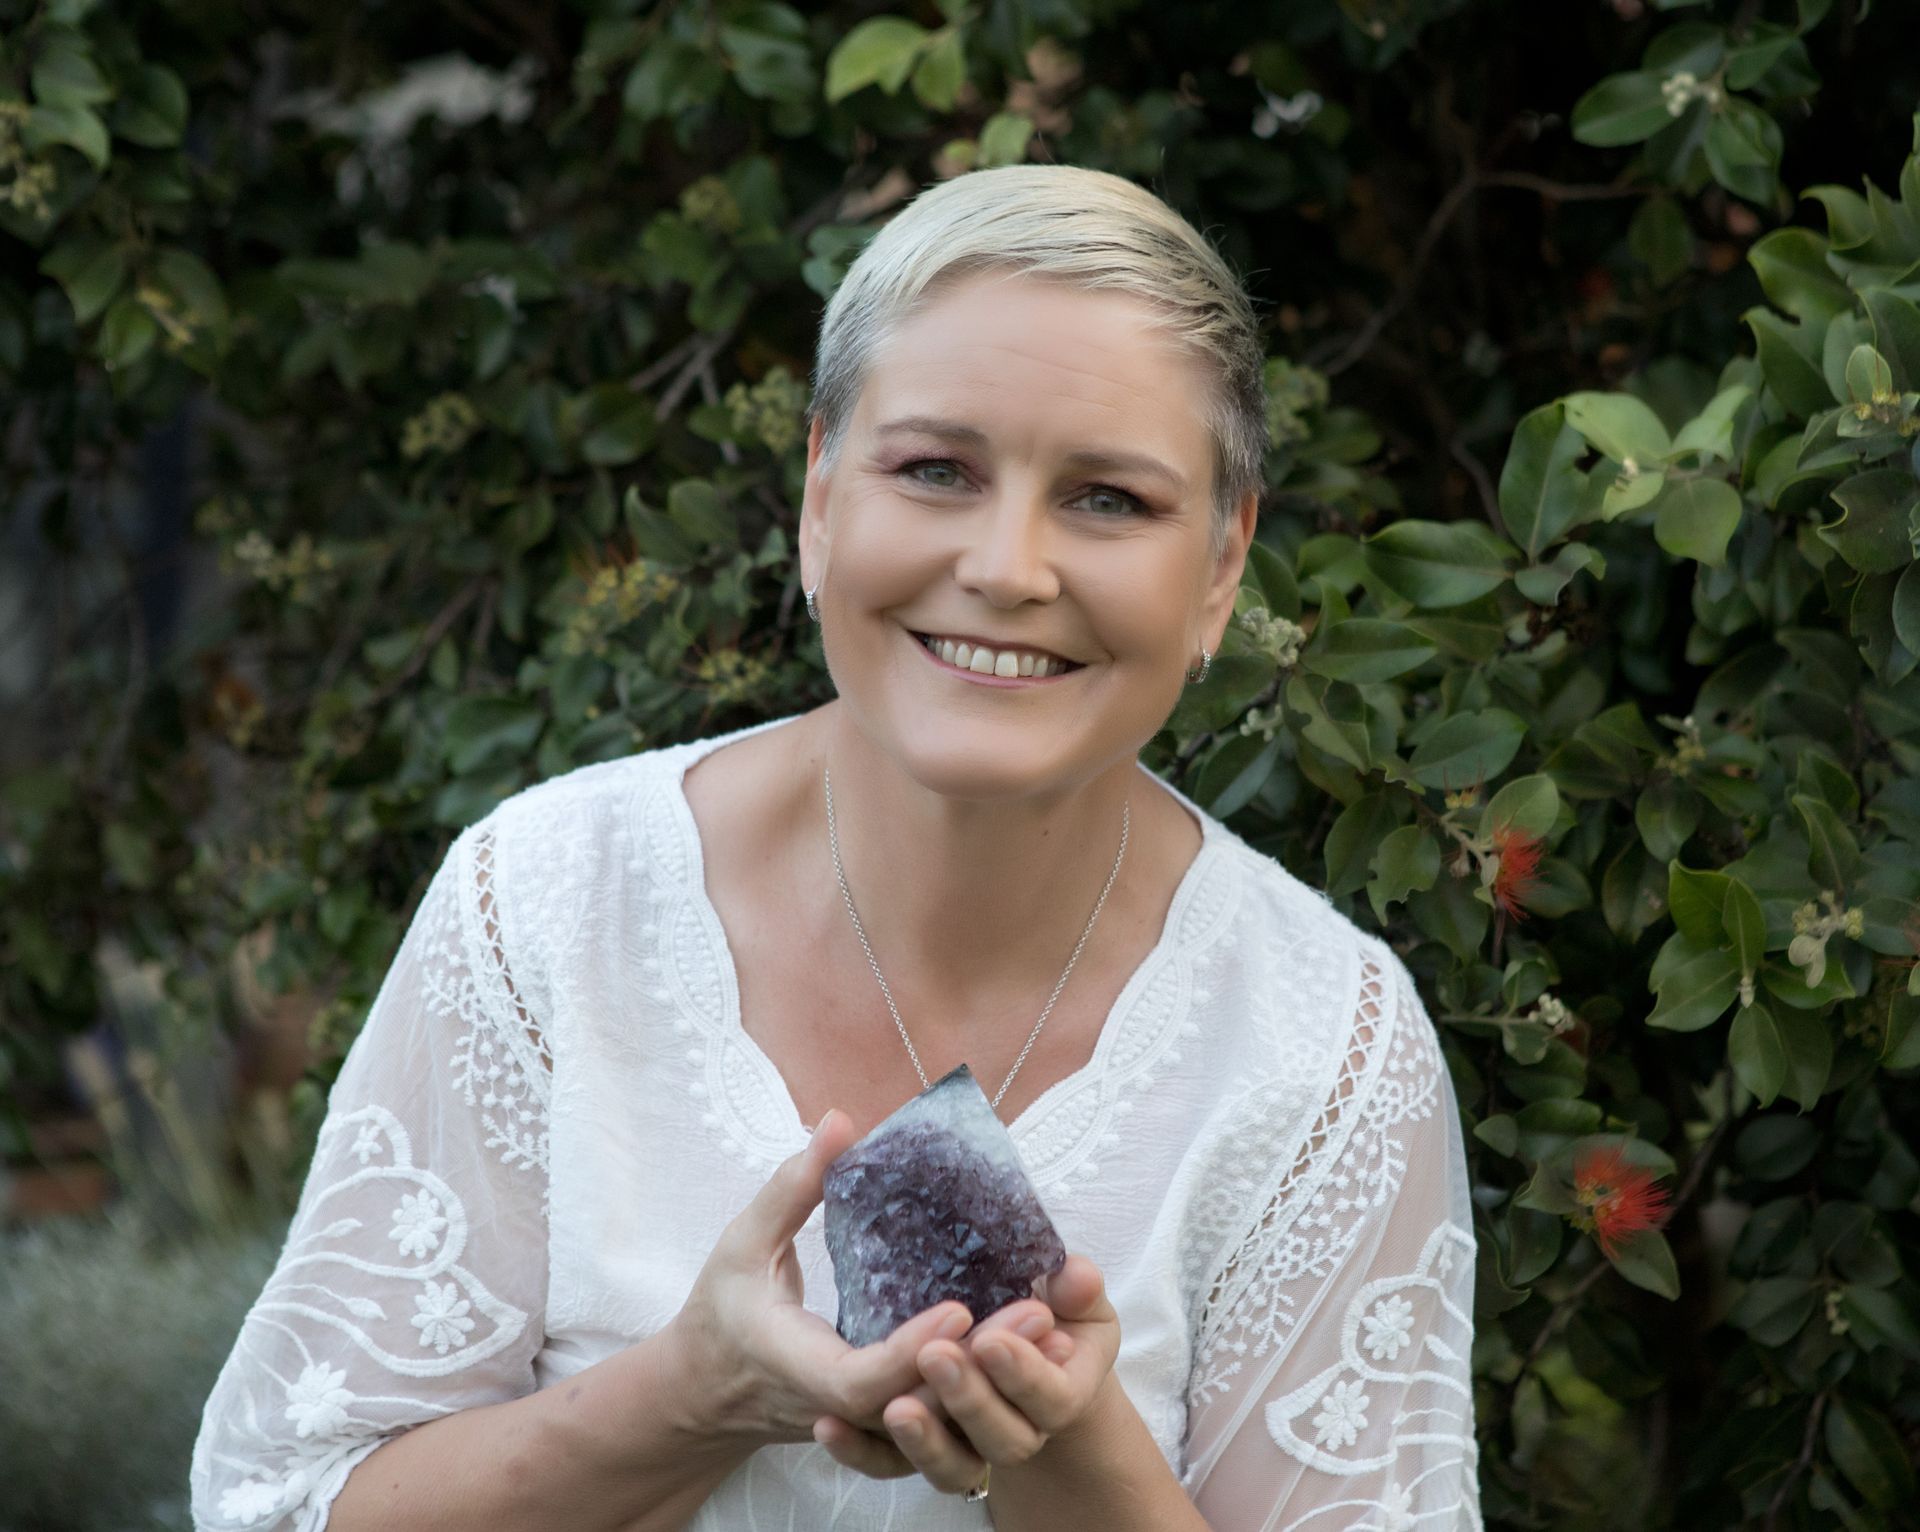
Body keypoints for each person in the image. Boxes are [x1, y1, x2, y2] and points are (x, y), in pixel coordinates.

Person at [190, 163, 1481, 1531]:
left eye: (1108, 499)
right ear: (819, 499)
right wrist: (693, 1391)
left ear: (1223, 563)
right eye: (936, 469)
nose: (1007, 566)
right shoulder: (550, 907)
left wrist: (1068, 1448)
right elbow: (289, 1508)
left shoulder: (1322, 1051)